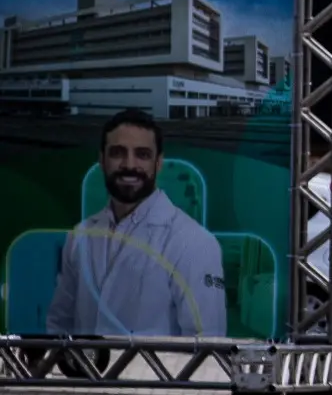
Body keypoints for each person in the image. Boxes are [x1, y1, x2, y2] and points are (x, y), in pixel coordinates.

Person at [46, 108, 228, 338]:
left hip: (153, 374)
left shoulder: (194, 242)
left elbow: (207, 346)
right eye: (118, 153)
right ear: (102, 160)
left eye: (142, 154)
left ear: (158, 163)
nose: (129, 165)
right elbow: (60, 323)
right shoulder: (80, 236)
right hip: (85, 373)